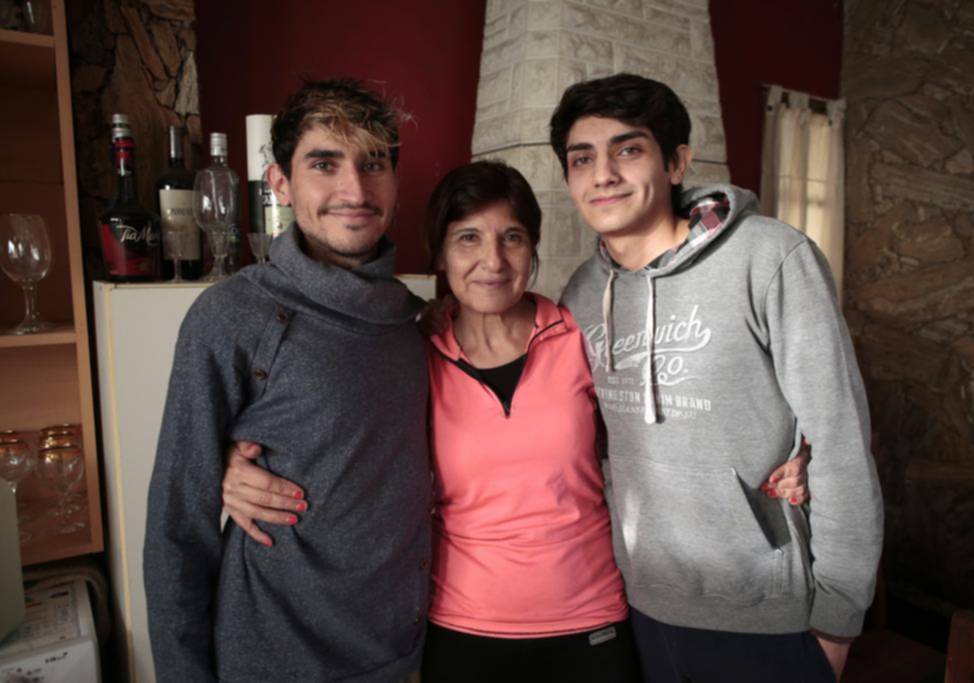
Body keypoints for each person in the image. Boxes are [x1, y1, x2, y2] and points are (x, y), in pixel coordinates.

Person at [221, 159, 811, 681]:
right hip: (461, 629)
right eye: (468, 238)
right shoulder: (410, 352)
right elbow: (340, 438)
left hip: (592, 623)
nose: (493, 261)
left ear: (533, 250)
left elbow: (677, 410)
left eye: (513, 238)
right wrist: (233, 466)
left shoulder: (579, 331)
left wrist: (792, 448)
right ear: (440, 254)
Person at [548, 73, 883, 682]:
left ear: (677, 162)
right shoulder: (582, 292)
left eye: (628, 150)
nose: (603, 175)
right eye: (582, 158)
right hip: (640, 604)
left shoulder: (770, 258)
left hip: (768, 616)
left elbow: (839, 440)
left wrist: (838, 621)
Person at [142, 78, 431, 683]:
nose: (354, 190)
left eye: (373, 163)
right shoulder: (231, 316)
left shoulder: (416, 322)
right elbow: (177, 529)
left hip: (402, 655)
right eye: (324, 164)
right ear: (280, 183)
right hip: (272, 661)